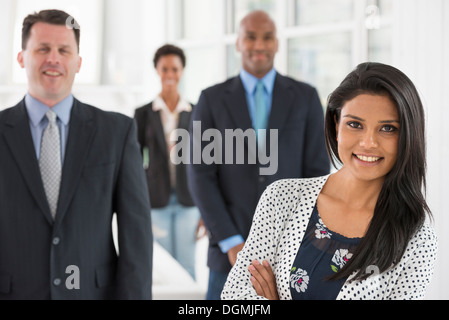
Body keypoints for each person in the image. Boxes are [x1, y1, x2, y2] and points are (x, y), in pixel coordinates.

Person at [221, 62, 438, 300]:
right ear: (336, 125)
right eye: (355, 124)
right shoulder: (282, 197)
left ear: (407, 135)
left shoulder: (417, 240)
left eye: (387, 128)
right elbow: (235, 296)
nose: (368, 143)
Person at [0, 9, 153, 299]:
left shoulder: (117, 132)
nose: (53, 59)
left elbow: (137, 237)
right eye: (42, 48)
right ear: (21, 57)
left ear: (78, 62)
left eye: (64, 50)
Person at [187, 10, 330, 299]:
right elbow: (200, 175)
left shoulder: (305, 97)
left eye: (267, 37)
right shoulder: (211, 99)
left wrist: (300, 239)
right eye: (250, 37)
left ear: (277, 43)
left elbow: (316, 174)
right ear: (238, 43)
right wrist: (230, 240)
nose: (259, 45)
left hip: (288, 252)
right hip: (227, 254)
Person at [134, 44, 201, 280]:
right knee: (162, 270)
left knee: (186, 266)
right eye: (165, 69)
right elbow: (133, 160)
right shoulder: (143, 113)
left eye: (175, 69)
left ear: (182, 71)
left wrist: (206, 209)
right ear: (157, 70)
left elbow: (206, 163)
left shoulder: (196, 112)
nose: (170, 75)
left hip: (188, 201)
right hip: (156, 201)